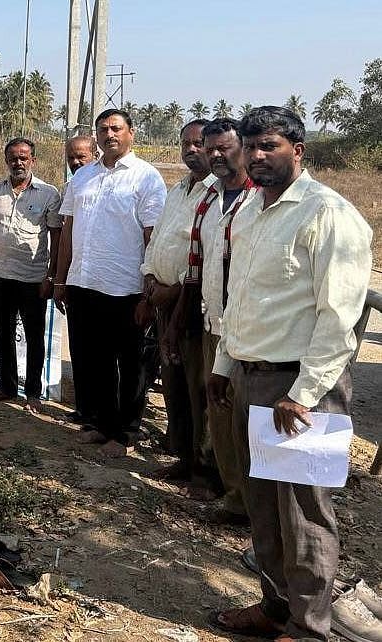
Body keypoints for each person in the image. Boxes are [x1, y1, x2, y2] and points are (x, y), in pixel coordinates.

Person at [206, 106, 372, 642]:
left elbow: (339, 317)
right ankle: (275, 609)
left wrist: (302, 394)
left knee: (304, 516)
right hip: (251, 378)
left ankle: (309, 627)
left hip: (303, 389)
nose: (257, 156)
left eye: (269, 146)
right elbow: (244, 298)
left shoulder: (330, 214)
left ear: (298, 150)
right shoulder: (251, 210)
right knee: (262, 507)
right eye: (250, 146)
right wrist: (224, 365)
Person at [52, 109, 166, 458]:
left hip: (126, 288)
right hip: (83, 283)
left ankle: (126, 432)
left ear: (131, 133)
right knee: (93, 360)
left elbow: (152, 236)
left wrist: (149, 290)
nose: (109, 134)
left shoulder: (146, 178)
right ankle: (101, 424)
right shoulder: (82, 177)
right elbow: (68, 229)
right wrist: (60, 279)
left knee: (129, 365)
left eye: (116, 128)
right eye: (103, 129)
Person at [140, 119, 218, 492]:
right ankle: (183, 459)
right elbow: (157, 242)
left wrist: (172, 292)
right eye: (185, 143)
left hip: (191, 304)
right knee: (173, 386)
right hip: (163, 298)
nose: (191, 149)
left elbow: (205, 257)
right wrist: (150, 279)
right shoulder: (177, 191)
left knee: (198, 388)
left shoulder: (218, 195)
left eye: (198, 143)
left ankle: (204, 471)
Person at [194, 117, 257, 524]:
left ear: (243, 149)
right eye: (210, 147)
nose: (216, 154)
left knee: (246, 421)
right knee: (220, 413)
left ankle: (253, 507)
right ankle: (234, 497)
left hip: (249, 330)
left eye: (224, 148)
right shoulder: (210, 196)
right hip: (213, 321)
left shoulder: (258, 200)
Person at [0, 138, 61, 414]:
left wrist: (52, 275)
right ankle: (7, 387)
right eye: (13, 158)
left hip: (33, 277)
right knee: (4, 334)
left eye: (23, 157)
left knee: (34, 337)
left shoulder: (48, 193)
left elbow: (57, 236)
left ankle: (33, 392)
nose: (18, 162)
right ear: (6, 160)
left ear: (33, 160)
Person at [53, 134, 99, 426]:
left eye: (81, 156)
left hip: (109, 283)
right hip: (77, 280)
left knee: (104, 354)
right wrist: (60, 281)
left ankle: (108, 416)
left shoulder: (115, 181)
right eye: (71, 157)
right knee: (81, 349)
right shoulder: (73, 185)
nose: (76, 162)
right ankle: (84, 409)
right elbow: (66, 236)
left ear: (94, 154)